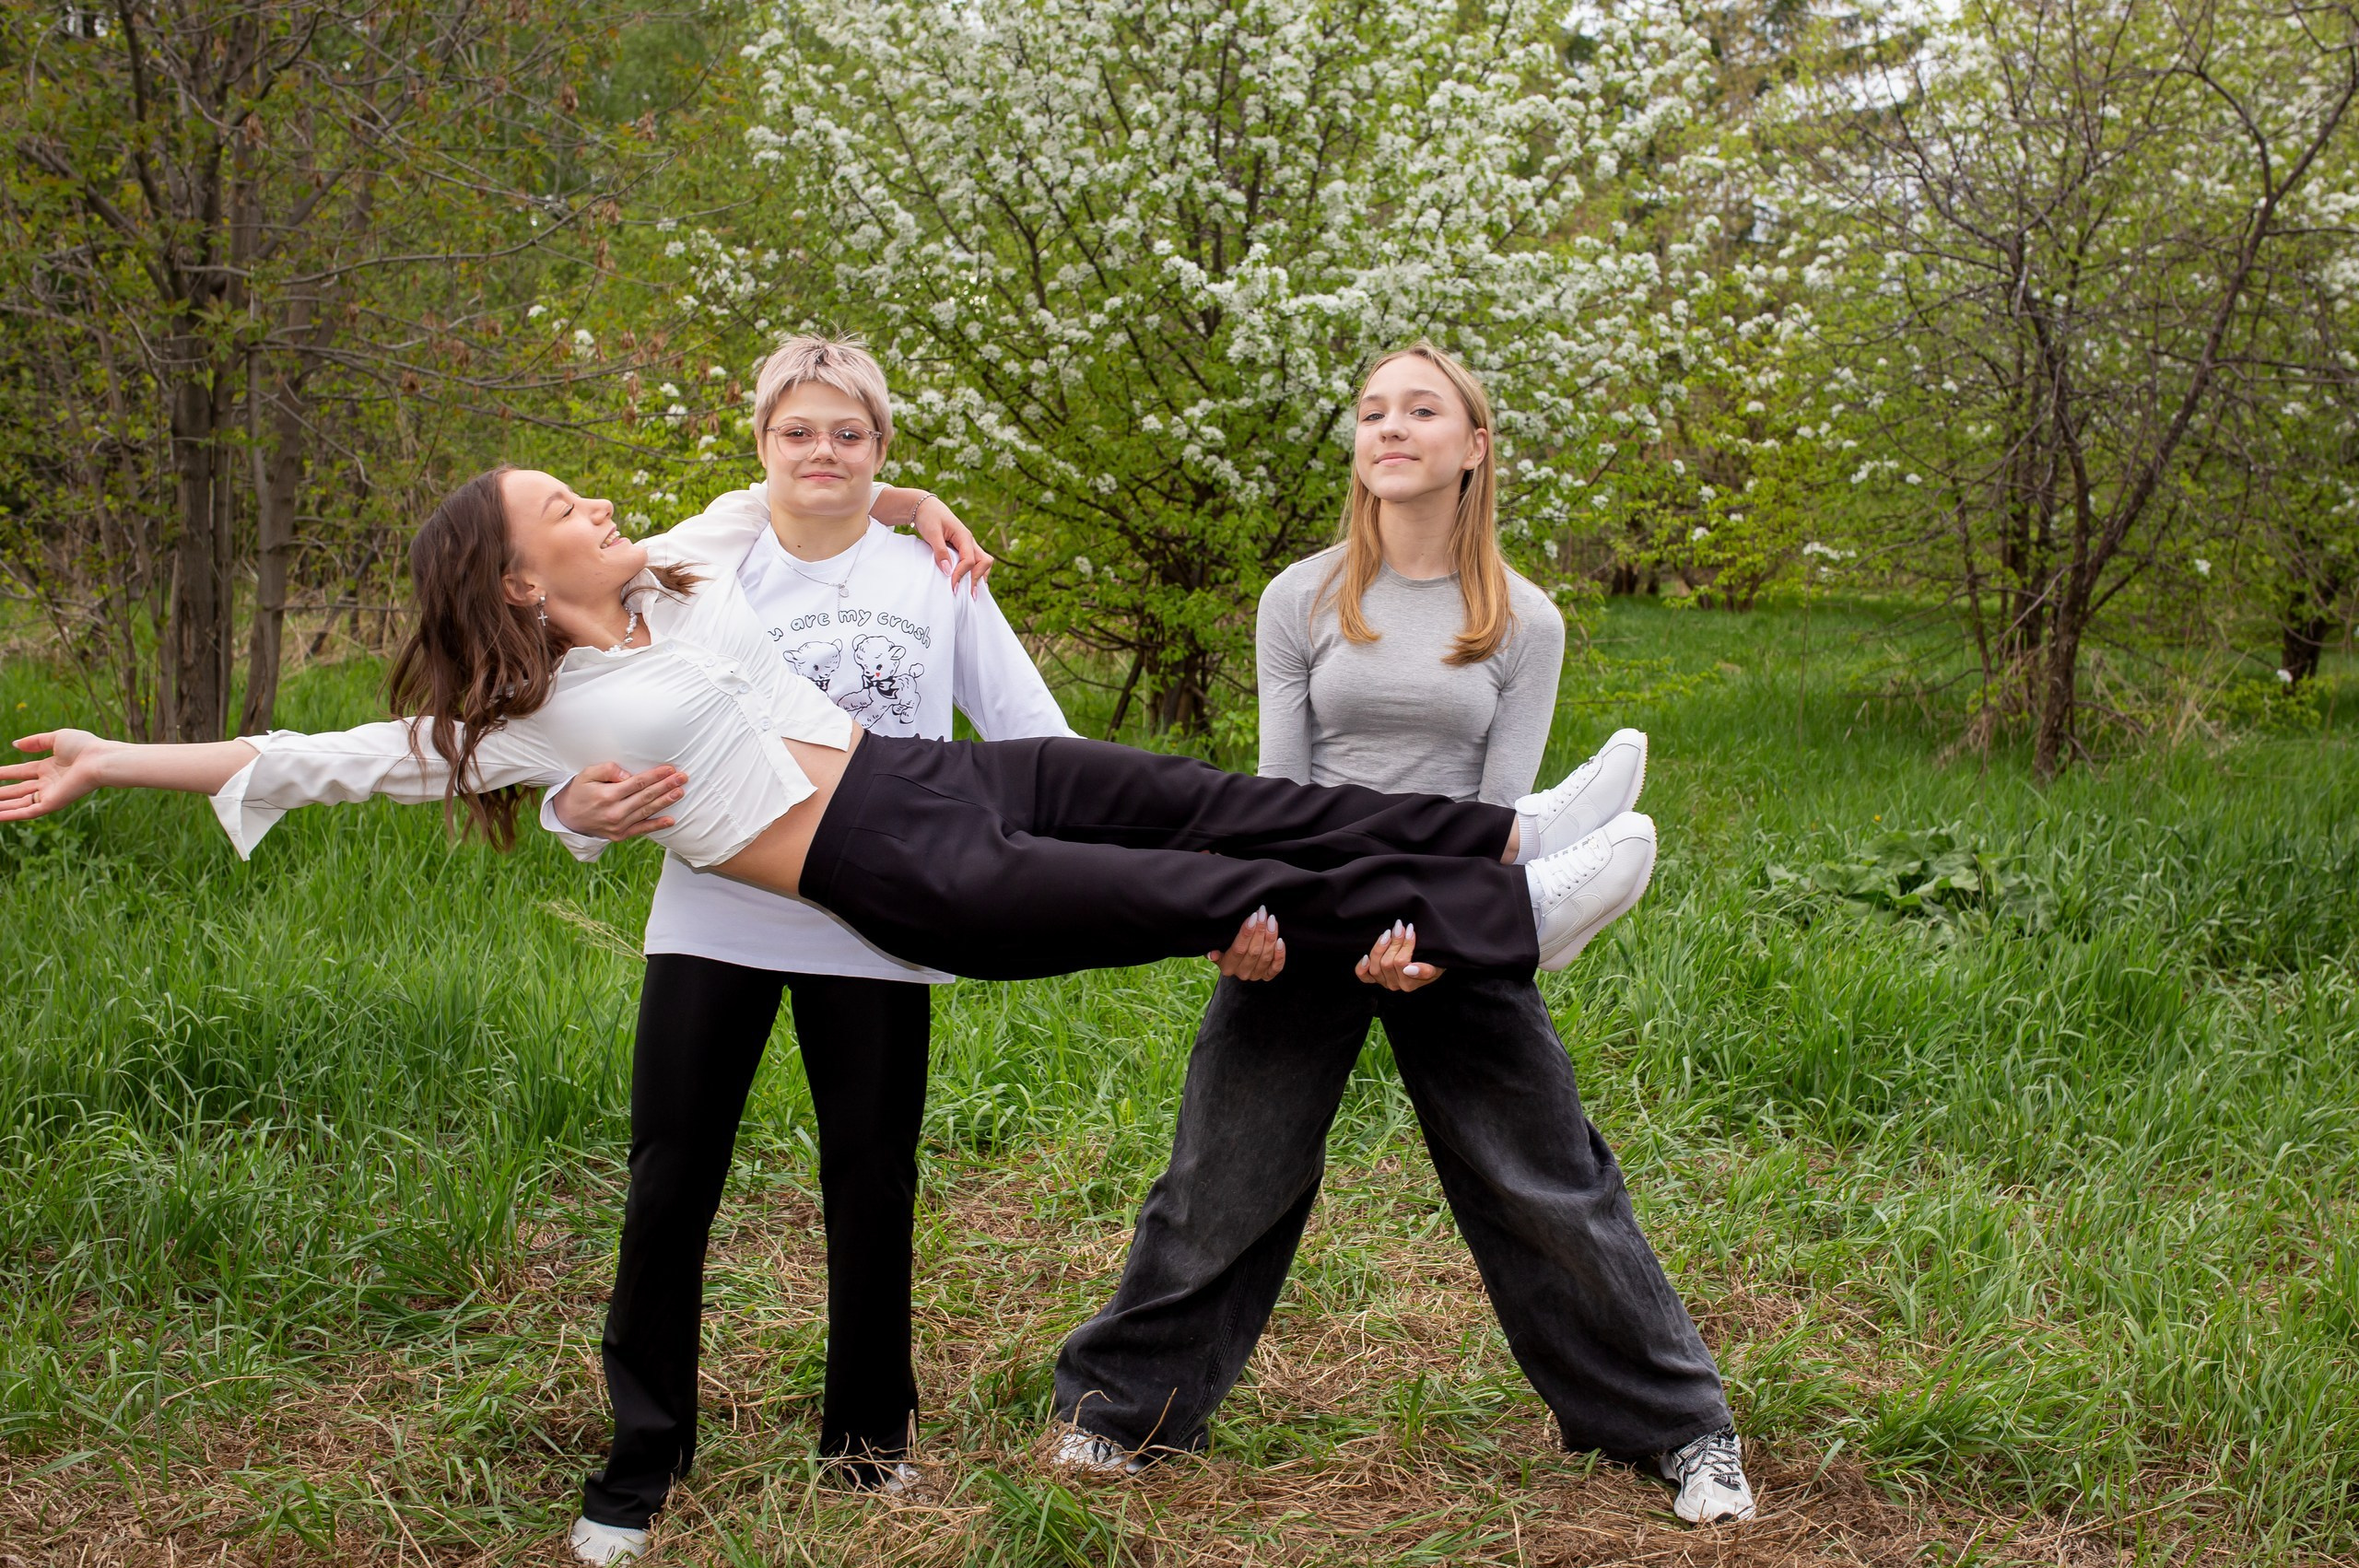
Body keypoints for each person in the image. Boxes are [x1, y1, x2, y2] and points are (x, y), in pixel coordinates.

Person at [2, 460, 1659, 975]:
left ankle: (1507, 830)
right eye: (557, 507)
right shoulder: (520, 719)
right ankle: (1514, 918)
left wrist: (918, 493)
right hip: (887, 859)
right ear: (513, 581)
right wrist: (105, 757)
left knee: (1223, 804)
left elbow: (809, 465)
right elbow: (306, 757)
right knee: (1209, 900)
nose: (591, 502)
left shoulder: (681, 568)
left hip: (934, 767)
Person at [1049, 342, 1756, 1526]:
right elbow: (1276, 799)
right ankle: (1119, 1411)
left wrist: (1424, 927)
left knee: (1548, 1186)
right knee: (1221, 1179)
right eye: (1372, 411)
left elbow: (1474, 814)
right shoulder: (1303, 596)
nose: (1389, 429)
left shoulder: (1523, 620)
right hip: (1306, 917)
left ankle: (1685, 1432)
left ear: (1473, 446)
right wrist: (1255, 924)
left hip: (1447, 920)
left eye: (1420, 411)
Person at [530, 337, 1081, 1562]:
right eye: (800, 432)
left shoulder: (936, 571)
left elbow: (1031, 732)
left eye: (850, 434)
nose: (823, 453)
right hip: (716, 909)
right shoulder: (693, 559)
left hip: (880, 919)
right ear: (761, 442)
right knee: (670, 1180)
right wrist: (574, 815)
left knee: (871, 1183)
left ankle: (868, 1438)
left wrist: (1061, 862)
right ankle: (643, 1449)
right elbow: (570, 715)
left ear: (883, 447)